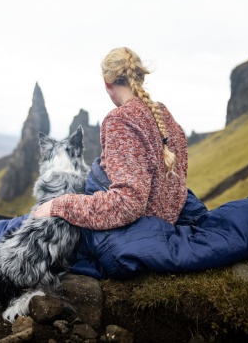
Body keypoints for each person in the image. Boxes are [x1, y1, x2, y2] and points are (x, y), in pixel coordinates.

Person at [33, 46, 188, 229]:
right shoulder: (164, 116)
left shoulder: (120, 121)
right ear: (141, 77)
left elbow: (127, 205)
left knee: (4, 229)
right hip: (164, 228)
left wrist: (59, 205)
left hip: (134, 234)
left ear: (107, 82)